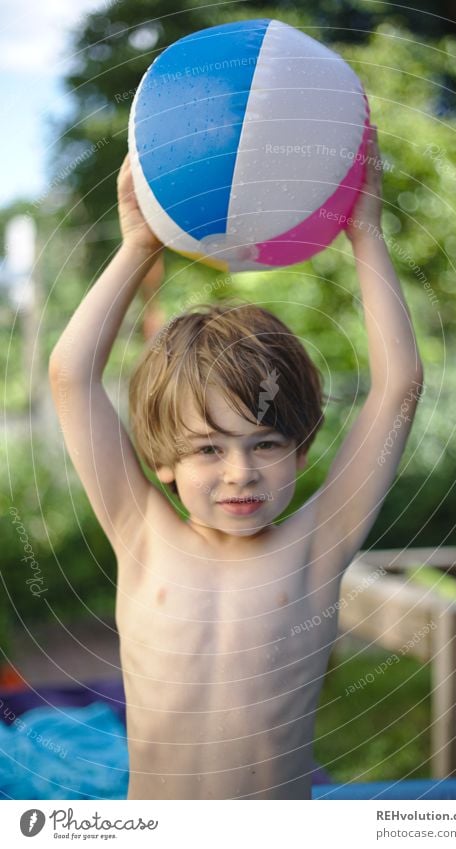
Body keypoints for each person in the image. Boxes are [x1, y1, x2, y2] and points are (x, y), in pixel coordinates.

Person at [48, 125, 423, 800]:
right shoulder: (141, 533)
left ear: (302, 447)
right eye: (208, 448)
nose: (239, 473)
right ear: (163, 460)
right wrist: (139, 244)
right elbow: (72, 375)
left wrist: (365, 231)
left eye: (266, 444)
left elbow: (397, 386)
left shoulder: (315, 547)